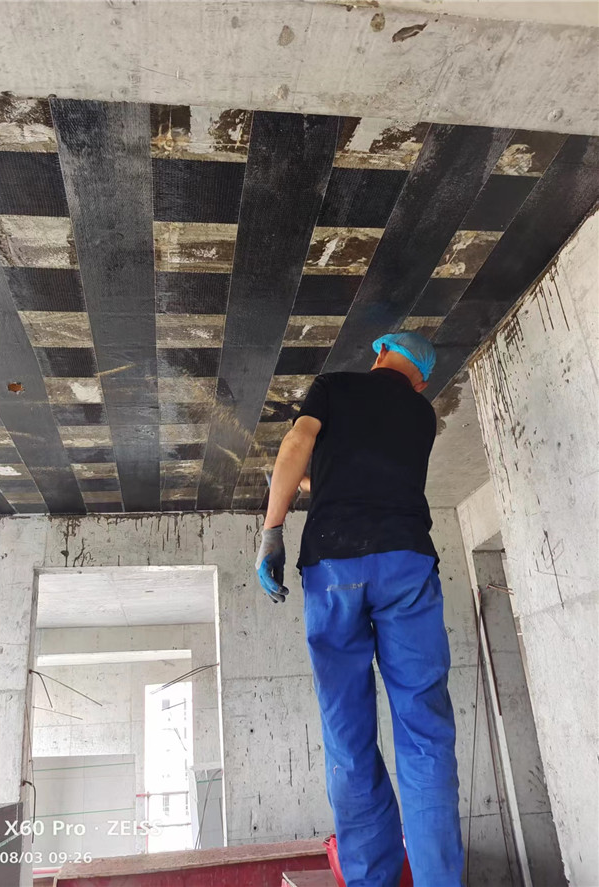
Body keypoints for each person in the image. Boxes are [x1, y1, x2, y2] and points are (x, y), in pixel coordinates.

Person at [255, 332, 464, 887]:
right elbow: (362, 476)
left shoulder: (334, 387)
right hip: (406, 564)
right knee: (425, 733)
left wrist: (272, 530)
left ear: (380, 352)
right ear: (421, 380)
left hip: (335, 567)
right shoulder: (421, 416)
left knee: (347, 735)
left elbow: (297, 446)